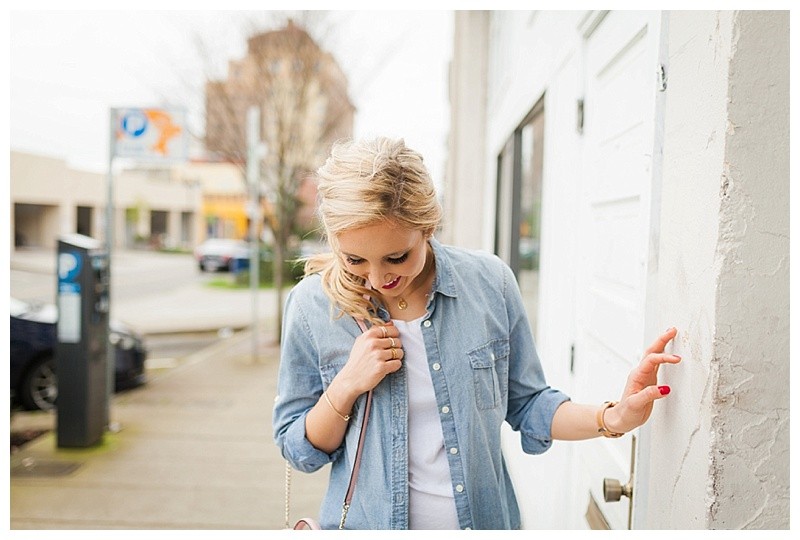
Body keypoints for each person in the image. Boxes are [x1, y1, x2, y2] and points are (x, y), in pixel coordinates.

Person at [272, 136, 680, 530]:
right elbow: (299, 450)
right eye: (355, 259)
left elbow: (529, 404)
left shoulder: (489, 283)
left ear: (428, 227)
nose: (378, 279)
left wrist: (615, 417)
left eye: (397, 257)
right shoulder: (313, 306)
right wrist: (346, 385)